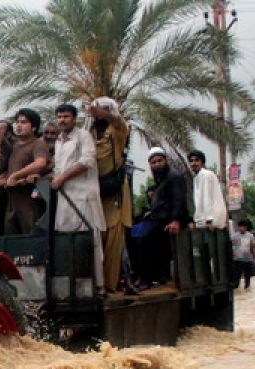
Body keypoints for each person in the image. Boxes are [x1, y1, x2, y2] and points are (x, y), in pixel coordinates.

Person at [49, 103, 105, 290]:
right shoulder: (59, 141)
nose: (62, 120)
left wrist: (63, 177)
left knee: (89, 240)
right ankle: (74, 286)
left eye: (66, 116)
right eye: (59, 117)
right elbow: (58, 168)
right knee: (67, 239)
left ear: (74, 118)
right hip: (65, 197)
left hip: (83, 196)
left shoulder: (83, 136)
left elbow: (87, 160)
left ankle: (97, 286)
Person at [90, 96, 132, 294]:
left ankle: (111, 284)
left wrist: (109, 114)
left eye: (103, 110)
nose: (98, 113)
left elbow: (119, 123)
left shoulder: (117, 130)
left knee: (114, 240)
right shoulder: (89, 131)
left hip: (114, 190)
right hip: (93, 189)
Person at [136, 148, 190, 286]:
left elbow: (179, 199)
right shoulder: (161, 178)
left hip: (169, 222)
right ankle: (159, 276)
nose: (157, 164)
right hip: (160, 220)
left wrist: (176, 220)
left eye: (159, 161)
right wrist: (152, 211)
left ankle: (147, 279)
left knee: (145, 242)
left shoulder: (174, 176)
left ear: (166, 160)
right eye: (153, 162)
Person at [3, 109, 51, 235]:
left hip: (29, 204)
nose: (19, 125)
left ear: (34, 127)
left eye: (23, 122)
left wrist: (16, 175)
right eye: (17, 122)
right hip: (12, 204)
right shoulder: (14, 145)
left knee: (31, 243)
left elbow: (40, 163)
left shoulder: (38, 144)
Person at [186, 150, 228, 230]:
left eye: (197, 160)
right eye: (191, 161)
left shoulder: (206, 174)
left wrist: (209, 220)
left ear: (202, 162)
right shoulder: (197, 177)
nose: (193, 163)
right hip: (204, 220)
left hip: (212, 220)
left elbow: (207, 197)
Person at [231, 219, 255, 290]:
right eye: (239, 226)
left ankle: (247, 288)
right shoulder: (234, 236)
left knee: (247, 276)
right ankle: (236, 288)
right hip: (237, 260)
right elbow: (232, 247)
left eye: (242, 227)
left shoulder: (250, 236)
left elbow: (253, 248)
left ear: (246, 227)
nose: (240, 228)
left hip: (248, 259)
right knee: (236, 276)